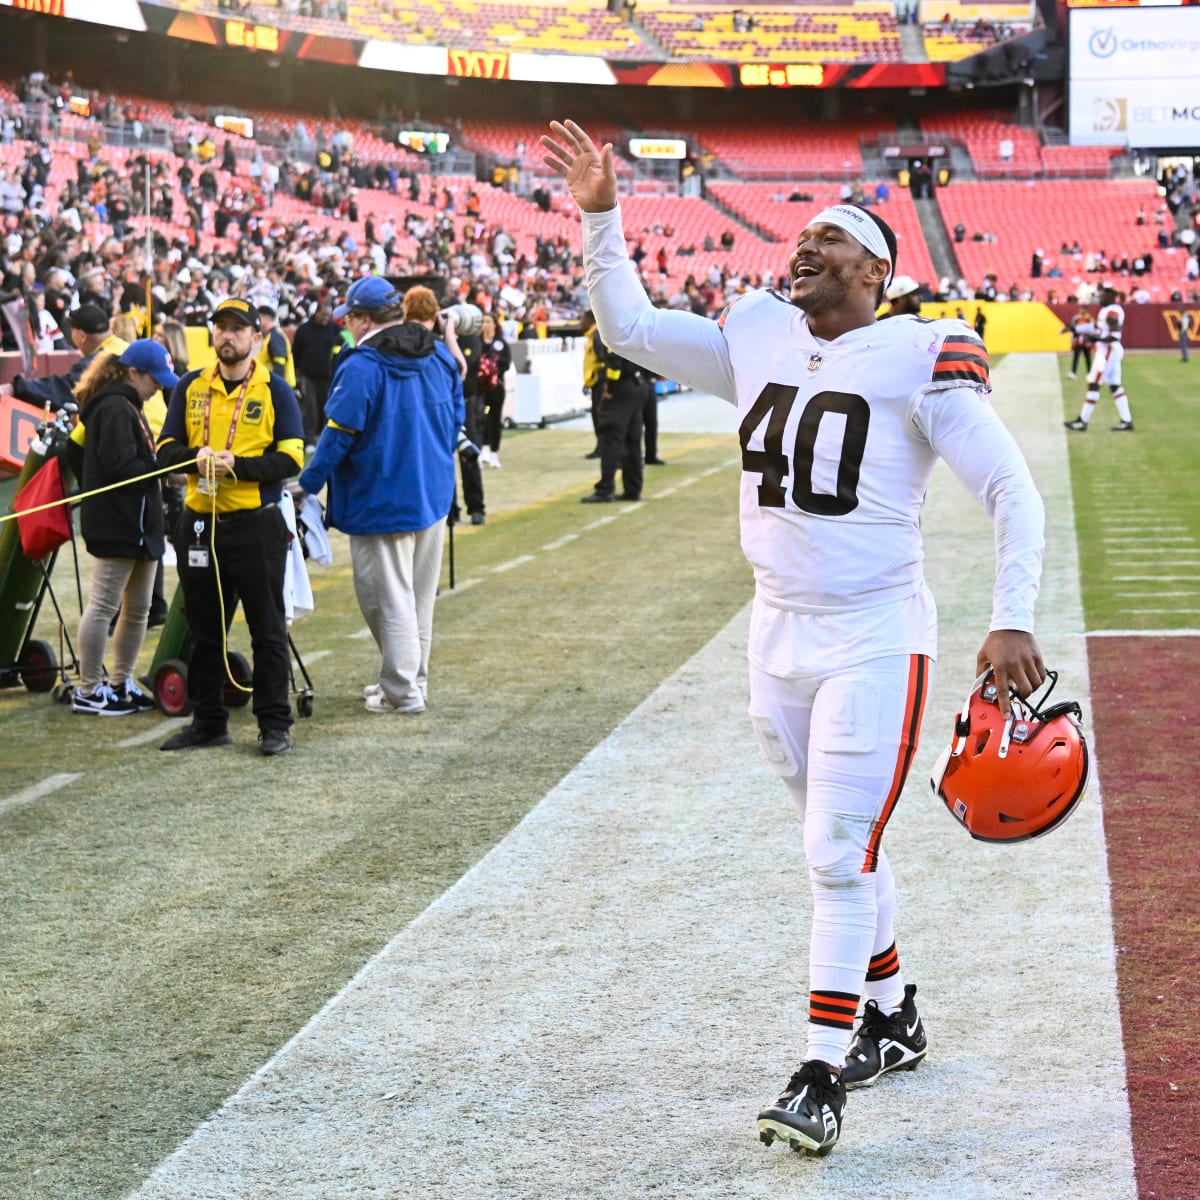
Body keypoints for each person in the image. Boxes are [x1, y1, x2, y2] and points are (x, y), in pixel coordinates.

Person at [542, 118, 1046, 1157]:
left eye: (830, 239)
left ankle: (821, 1075)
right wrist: (603, 217)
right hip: (775, 633)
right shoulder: (761, 331)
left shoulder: (918, 353)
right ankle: (895, 1011)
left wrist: (1013, 615)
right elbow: (631, 328)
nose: (803, 247)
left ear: (876, 270)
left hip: (873, 635)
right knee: (842, 847)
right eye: (802, 235)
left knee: (833, 851)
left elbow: (1008, 487)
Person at [298, 279, 462, 715]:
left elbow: (338, 435)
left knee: (387, 601)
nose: (346, 327)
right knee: (417, 599)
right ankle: (410, 682)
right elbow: (456, 419)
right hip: (432, 490)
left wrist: (308, 483)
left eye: (349, 318)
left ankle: (403, 691)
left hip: (381, 496)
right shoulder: (439, 354)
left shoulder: (361, 365)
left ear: (364, 318)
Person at [155, 297, 305, 755]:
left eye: (237, 328)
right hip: (200, 524)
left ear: (255, 338)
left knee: (267, 629)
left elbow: (291, 458)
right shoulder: (190, 386)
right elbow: (165, 451)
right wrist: (195, 460)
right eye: (220, 327)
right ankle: (208, 722)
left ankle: (274, 724)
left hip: (256, 526)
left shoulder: (274, 389)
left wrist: (236, 465)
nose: (227, 336)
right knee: (203, 630)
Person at [64, 340, 178, 715]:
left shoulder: (129, 404)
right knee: (103, 606)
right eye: (154, 379)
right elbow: (121, 467)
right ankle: (89, 689)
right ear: (133, 373)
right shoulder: (113, 407)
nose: (159, 386)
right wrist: (164, 470)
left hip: (141, 523)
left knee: (138, 609)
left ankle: (121, 682)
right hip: (119, 523)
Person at [1, 304, 128, 410]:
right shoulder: (125, 347)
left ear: (81, 336)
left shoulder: (97, 362)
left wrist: (16, 387)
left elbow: (63, 391)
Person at [1064, 283, 1134, 432]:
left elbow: (1114, 336)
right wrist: (1074, 328)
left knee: (1094, 383)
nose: (1099, 298)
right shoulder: (1107, 310)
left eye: (1102, 295)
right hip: (1110, 350)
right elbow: (1098, 329)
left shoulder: (1112, 312)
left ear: (1110, 296)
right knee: (1114, 385)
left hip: (1108, 351)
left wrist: (1096, 340)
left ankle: (1082, 421)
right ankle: (1126, 420)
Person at [291, 299, 342, 448]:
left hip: (330, 376)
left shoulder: (337, 330)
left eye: (328, 314)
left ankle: (325, 438)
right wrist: (296, 373)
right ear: (316, 312)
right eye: (323, 314)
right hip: (308, 376)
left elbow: (351, 342)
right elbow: (296, 352)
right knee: (310, 408)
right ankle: (310, 439)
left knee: (327, 407)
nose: (326, 317)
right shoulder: (303, 330)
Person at [475, 312, 511, 469]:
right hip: (480, 389)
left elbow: (506, 363)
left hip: (496, 389)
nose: (485, 324)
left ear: (495, 324)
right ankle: (482, 450)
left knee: (494, 420)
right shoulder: (477, 342)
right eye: (483, 321)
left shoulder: (501, 343)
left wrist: (493, 370)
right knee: (481, 417)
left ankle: (494, 453)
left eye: (488, 321)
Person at [256, 305, 297, 388]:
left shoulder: (275, 336)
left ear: (264, 318)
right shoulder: (270, 336)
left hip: (278, 388)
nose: (257, 323)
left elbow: (279, 365)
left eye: (258, 319)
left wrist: (276, 388)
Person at [580, 309, 603, 459]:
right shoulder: (592, 335)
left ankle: (602, 448)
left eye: (583, 320)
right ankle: (601, 447)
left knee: (599, 416)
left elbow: (601, 359)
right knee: (597, 415)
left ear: (590, 320)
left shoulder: (596, 335)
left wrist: (598, 377)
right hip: (595, 381)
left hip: (600, 382)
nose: (580, 323)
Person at [1061, 306, 1094, 380]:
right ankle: (1073, 373)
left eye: (1084, 311)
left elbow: (1092, 330)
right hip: (1078, 340)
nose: (1082, 312)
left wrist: (1091, 341)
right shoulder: (1076, 319)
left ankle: (1090, 373)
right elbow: (1073, 330)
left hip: (1086, 340)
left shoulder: (1089, 319)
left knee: (1088, 357)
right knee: (1076, 357)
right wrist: (1072, 341)